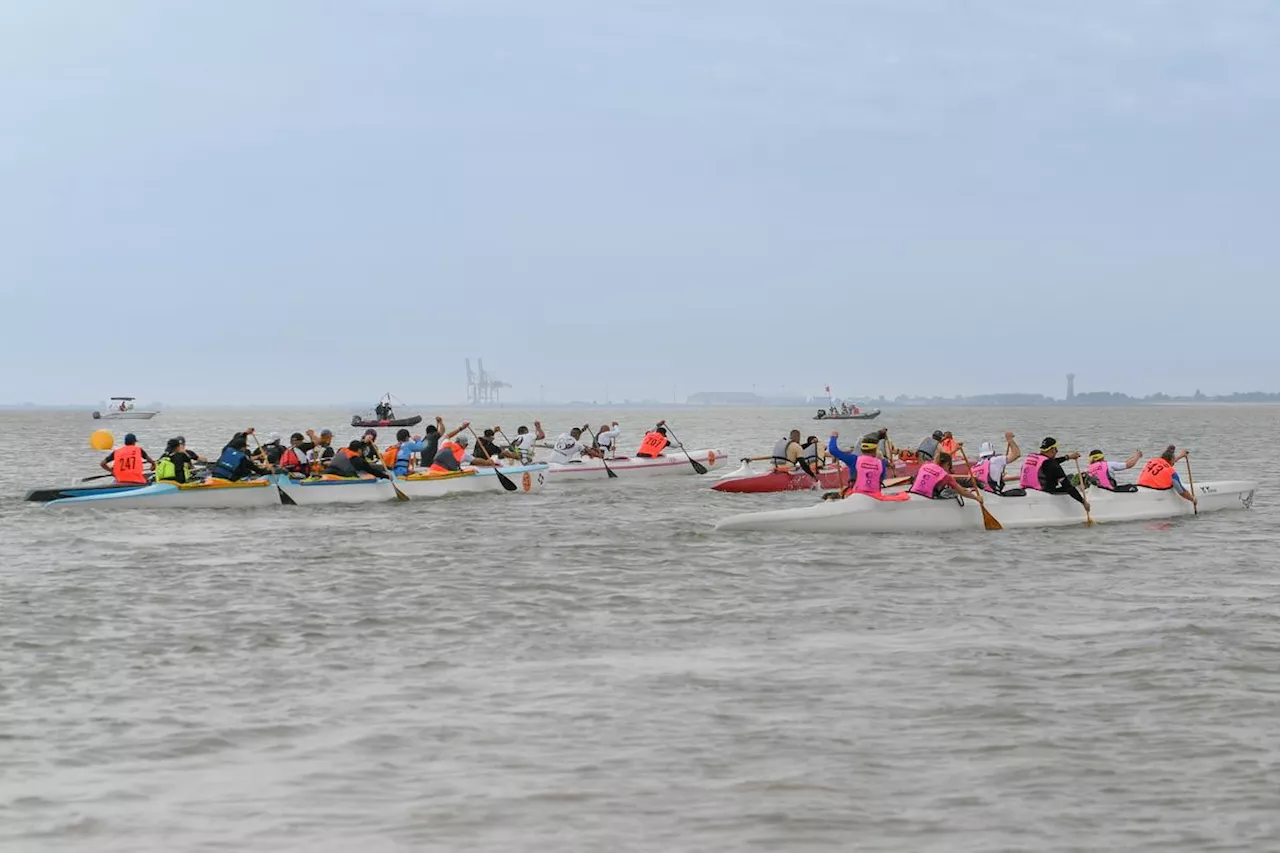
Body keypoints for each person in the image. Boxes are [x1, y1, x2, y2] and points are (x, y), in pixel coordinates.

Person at [1020, 437, 1089, 509]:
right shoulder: (1052, 465)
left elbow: (1049, 463)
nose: (1057, 451)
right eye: (1056, 449)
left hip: (1026, 489)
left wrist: (1067, 457)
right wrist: (1083, 502)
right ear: (1052, 450)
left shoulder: (1031, 457)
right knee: (1071, 480)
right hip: (1045, 493)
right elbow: (1068, 487)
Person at [909, 451, 981, 500]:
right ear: (947, 464)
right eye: (949, 466)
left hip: (913, 493)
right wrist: (976, 498)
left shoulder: (925, 465)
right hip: (927, 498)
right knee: (952, 492)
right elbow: (963, 491)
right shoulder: (946, 476)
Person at [325, 440, 393, 479]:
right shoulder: (355, 459)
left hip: (327, 471)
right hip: (339, 475)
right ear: (359, 450)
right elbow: (371, 470)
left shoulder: (342, 451)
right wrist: (386, 476)